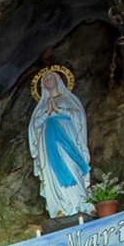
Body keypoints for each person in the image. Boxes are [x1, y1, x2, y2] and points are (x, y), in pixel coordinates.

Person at [27, 66, 92, 218]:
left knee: (71, 166)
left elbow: (79, 117)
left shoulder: (69, 99)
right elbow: (33, 128)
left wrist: (60, 111)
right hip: (48, 144)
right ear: (42, 86)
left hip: (67, 140)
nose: (47, 80)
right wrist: (47, 114)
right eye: (44, 79)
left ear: (58, 81)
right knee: (52, 173)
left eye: (50, 77)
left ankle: (80, 205)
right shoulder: (41, 106)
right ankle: (60, 208)